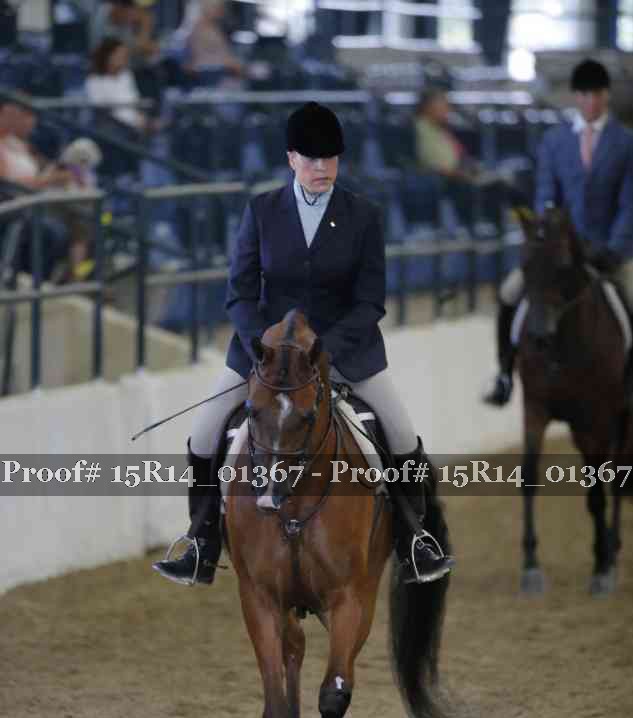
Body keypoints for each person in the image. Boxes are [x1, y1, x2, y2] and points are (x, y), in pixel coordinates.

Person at [154, 101, 453, 587]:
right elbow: (239, 293)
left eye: (330, 158)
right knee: (204, 434)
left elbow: (370, 301)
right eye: (312, 159)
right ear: (291, 158)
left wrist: (325, 350)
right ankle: (201, 541)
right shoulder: (262, 211)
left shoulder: (363, 215)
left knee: (400, 434)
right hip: (266, 355)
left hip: (345, 352)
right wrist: (262, 347)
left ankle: (413, 539)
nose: (322, 168)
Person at [485, 58, 633, 406]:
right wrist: (549, 238)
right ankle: (505, 373)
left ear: (606, 95)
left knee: (631, 302)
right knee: (509, 294)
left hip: (608, 250)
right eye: (584, 95)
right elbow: (545, 195)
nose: (591, 101)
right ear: (576, 97)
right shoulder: (555, 141)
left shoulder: (626, 143)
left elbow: (629, 204)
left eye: (596, 94)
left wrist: (613, 249)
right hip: (562, 250)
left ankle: (629, 381)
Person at [0, 97, 87, 281]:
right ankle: (42, 282)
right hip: (12, 205)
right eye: (22, 114)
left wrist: (60, 171)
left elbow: (39, 169)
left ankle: (75, 275)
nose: (30, 120)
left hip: (36, 201)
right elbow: (8, 184)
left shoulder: (21, 144)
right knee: (54, 231)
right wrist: (50, 179)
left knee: (85, 211)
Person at [86, 37, 153, 131]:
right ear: (108, 56)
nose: (124, 59)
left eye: (125, 55)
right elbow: (101, 112)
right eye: (120, 55)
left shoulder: (127, 75)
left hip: (134, 127)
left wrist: (141, 119)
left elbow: (135, 102)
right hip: (111, 129)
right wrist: (128, 124)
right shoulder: (94, 81)